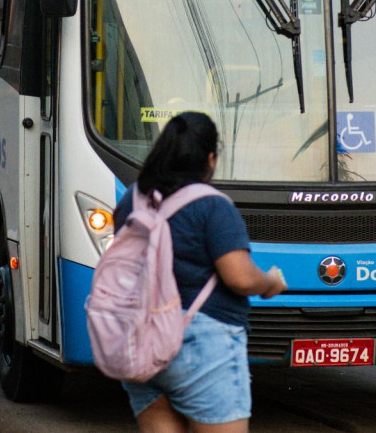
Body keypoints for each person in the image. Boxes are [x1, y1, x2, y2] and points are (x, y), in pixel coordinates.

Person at [112, 111, 286, 433]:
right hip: (201, 343)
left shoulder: (131, 201)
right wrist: (270, 282)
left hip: (139, 337)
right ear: (209, 159)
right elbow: (240, 277)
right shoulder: (212, 206)